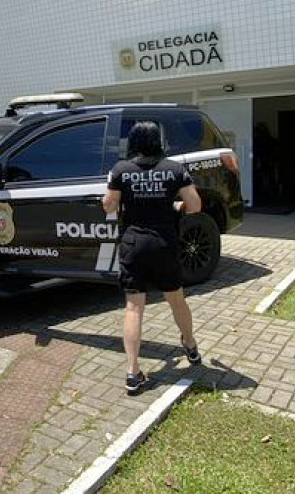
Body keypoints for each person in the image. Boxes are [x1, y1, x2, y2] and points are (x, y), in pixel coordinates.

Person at [102, 121, 203, 394]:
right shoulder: (175, 169)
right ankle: (191, 347)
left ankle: (133, 373)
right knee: (176, 300)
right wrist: (174, 205)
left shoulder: (121, 170)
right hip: (165, 243)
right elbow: (194, 206)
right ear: (158, 141)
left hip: (133, 244)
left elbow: (109, 206)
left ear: (133, 142)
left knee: (134, 308)